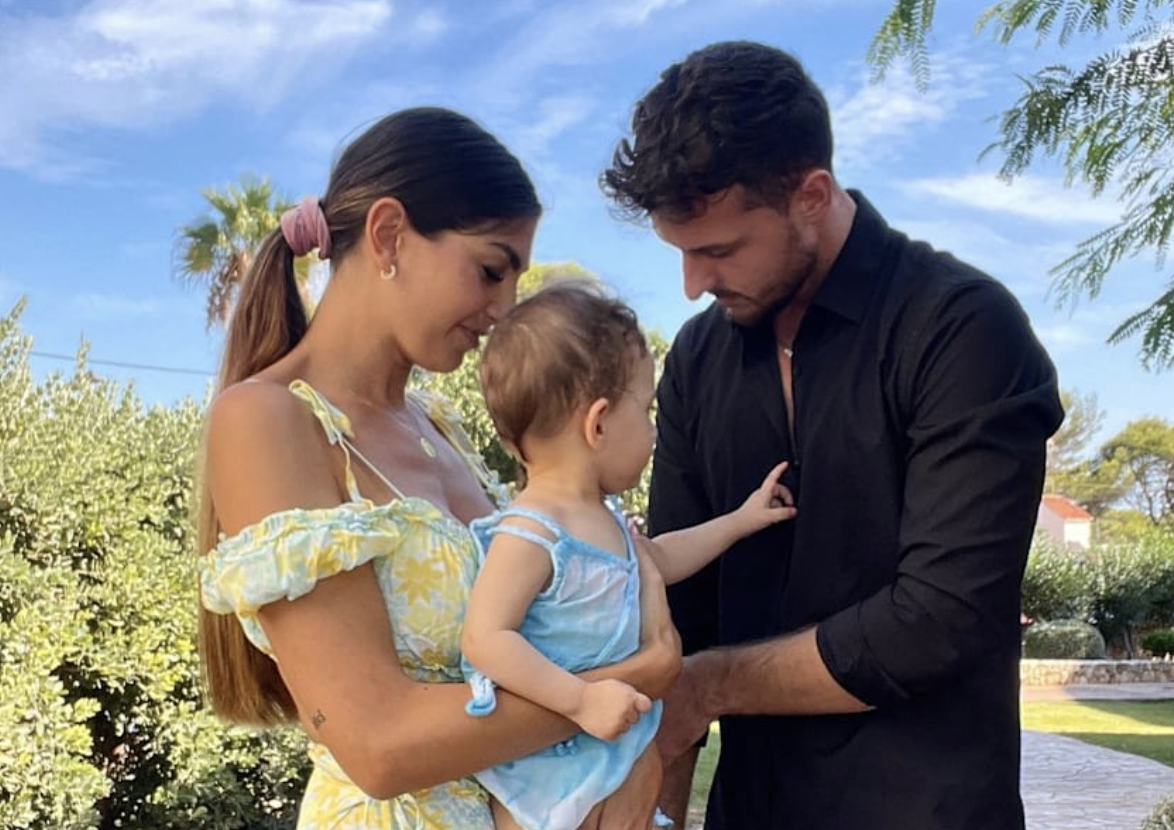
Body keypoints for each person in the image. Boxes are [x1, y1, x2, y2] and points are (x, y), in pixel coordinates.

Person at [601, 41, 1065, 830]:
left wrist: (710, 684)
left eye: (718, 250)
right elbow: (675, 620)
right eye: (680, 253)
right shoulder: (697, 361)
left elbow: (937, 621)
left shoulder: (960, 328)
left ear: (812, 195)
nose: (693, 284)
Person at [196, 107, 681, 830]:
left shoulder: (438, 427)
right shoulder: (269, 420)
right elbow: (379, 747)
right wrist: (634, 679)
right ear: (389, 235)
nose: (504, 308)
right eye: (491, 269)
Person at [458, 281, 796, 830]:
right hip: (547, 780)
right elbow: (485, 638)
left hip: (607, 760)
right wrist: (578, 700)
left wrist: (740, 520)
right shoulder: (531, 531)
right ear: (598, 424)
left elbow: (658, 557)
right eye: (646, 409)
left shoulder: (604, 520)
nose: (654, 430)